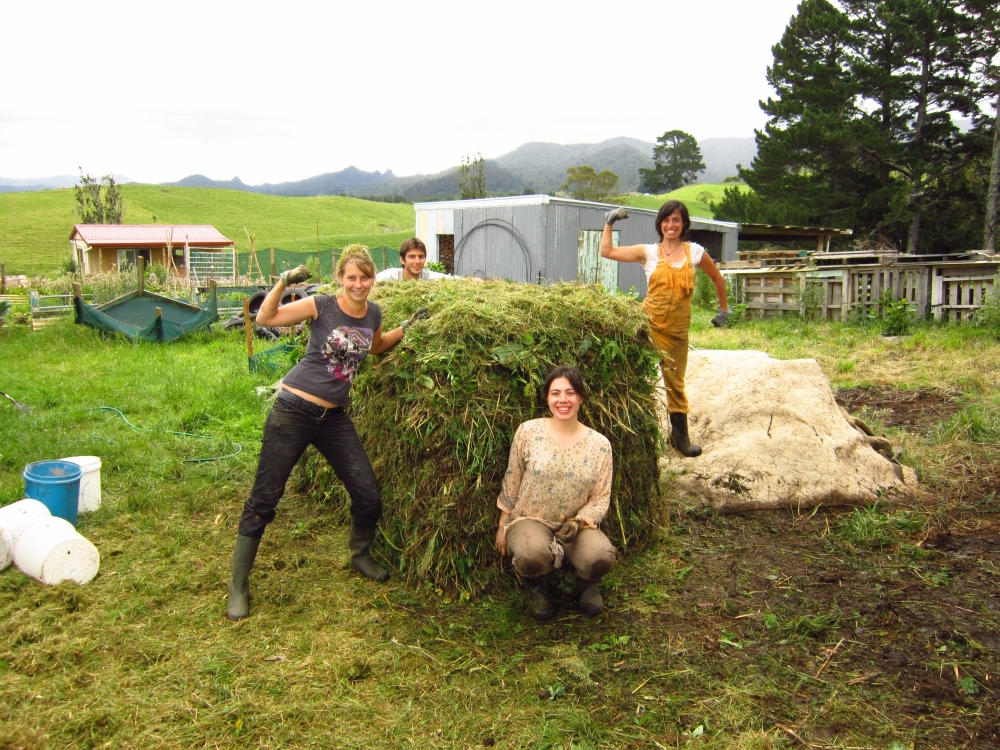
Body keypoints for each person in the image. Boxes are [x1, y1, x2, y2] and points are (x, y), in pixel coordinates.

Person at [226, 245, 429, 621]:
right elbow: (266, 317)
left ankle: (359, 555)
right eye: (351, 277)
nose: (358, 284)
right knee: (264, 499)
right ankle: (238, 585)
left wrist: (407, 327)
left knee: (368, 494)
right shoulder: (321, 305)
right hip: (293, 411)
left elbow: (377, 347)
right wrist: (283, 283)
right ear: (341, 278)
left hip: (333, 419)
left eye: (365, 277)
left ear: (373, 278)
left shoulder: (374, 313)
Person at [601, 201, 729, 457]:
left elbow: (717, 278)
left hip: (677, 332)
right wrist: (610, 222)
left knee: (675, 383)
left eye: (676, 220)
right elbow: (607, 251)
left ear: (684, 224)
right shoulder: (648, 252)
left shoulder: (695, 252)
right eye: (666, 220)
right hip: (647, 326)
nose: (671, 225)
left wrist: (723, 310)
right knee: (631, 370)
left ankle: (679, 436)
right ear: (660, 224)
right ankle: (625, 429)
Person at [495, 366, 616, 620]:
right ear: (547, 398)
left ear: (581, 397)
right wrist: (502, 524)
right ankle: (535, 587)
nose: (563, 400)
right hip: (530, 518)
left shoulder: (600, 446)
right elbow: (513, 477)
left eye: (570, 393)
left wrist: (579, 521)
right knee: (530, 553)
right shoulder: (529, 432)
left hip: (575, 525)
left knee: (600, 555)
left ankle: (588, 585)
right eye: (556, 393)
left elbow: (600, 497)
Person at [374, 237, 482, 282]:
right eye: (412, 256)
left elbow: (451, 280)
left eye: (421, 256)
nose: (417, 261)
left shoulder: (428, 277)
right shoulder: (389, 278)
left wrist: (471, 281)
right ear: (402, 260)